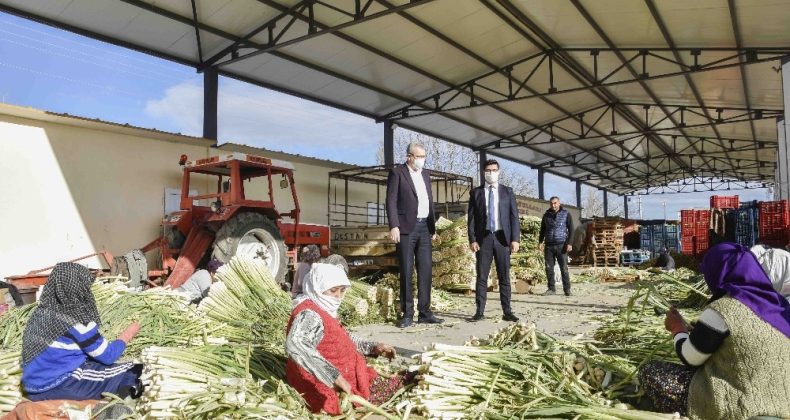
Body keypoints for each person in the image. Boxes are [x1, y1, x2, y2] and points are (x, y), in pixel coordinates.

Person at [638, 243, 790, 419]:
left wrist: (677, 328)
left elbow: (691, 358)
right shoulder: (779, 304)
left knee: (650, 372)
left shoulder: (725, 308)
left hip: (743, 407)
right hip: (784, 402)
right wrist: (701, 332)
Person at [285, 263, 405, 415]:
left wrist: (374, 347)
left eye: (342, 291)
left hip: (345, 373)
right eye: (333, 290)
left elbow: (342, 337)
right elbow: (296, 343)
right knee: (334, 406)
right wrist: (333, 376)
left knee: (402, 382)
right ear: (316, 287)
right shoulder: (309, 314)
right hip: (318, 380)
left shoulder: (323, 307)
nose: (338, 296)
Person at [21, 263, 144, 401]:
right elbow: (108, 355)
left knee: (99, 364)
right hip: (59, 384)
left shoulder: (39, 313)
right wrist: (129, 333)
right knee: (133, 369)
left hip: (32, 386)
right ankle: (113, 412)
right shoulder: (74, 318)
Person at [385, 141, 443, 328]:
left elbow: (428, 200)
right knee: (407, 271)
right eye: (418, 157)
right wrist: (394, 225)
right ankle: (407, 313)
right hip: (406, 228)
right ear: (409, 157)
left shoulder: (425, 174)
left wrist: (432, 228)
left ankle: (425, 312)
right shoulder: (397, 173)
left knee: (425, 271)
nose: (421, 160)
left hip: (425, 227)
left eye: (423, 157)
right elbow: (391, 201)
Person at [467, 159, 520, 322]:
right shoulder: (476, 193)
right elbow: (471, 219)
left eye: (494, 170)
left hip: (502, 238)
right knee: (482, 276)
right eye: (488, 170)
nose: (491, 173)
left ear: (499, 171)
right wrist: (472, 239)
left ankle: (507, 311)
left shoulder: (507, 192)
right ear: (484, 173)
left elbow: (514, 217)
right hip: (484, 239)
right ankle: (480, 311)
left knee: (504, 276)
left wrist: (515, 239)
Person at [538, 196, 574, 296]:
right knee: (549, 268)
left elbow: (571, 229)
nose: (553, 205)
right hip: (549, 246)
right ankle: (551, 289)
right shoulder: (546, 215)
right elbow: (542, 230)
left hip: (561, 245)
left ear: (559, 203)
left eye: (555, 203)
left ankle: (567, 289)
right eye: (551, 203)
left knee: (564, 268)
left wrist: (570, 243)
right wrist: (540, 242)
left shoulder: (566, 214)